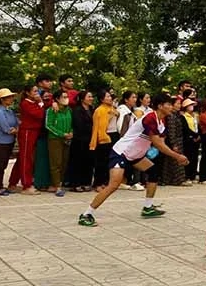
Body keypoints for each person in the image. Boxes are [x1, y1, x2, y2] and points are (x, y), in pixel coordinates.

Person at [78, 93, 189, 227]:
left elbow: (160, 142)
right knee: (113, 185)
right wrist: (177, 156)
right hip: (121, 153)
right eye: (169, 104)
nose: (172, 107)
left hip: (135, 155)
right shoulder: (150, 118)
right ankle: (86, 214)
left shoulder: (161, 121)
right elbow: (157, 143)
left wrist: (172, 153)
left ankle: (148, 207)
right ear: (160, 106)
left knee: (153, 171)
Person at [8, 85, 46, 195]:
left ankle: (13, 183)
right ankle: (26, 185)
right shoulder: (26, 103)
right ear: (28, 93)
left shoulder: (33, 103)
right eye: (34, 91)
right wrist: (40, 103)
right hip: (27, 132)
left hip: (34, 132)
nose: (37, 93)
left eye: (37, 91)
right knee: (26, 158)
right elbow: (39, 114)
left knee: (22, 158)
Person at [0, 88, 19, 195]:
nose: (11, 99)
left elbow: (16, 123)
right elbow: (5, 128)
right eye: (8, 97)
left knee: (3, 164)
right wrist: (14, 130)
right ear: (2, 100)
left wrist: (15, 129)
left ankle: (0, 185)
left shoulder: (10, 111)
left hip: (9, 142)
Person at [45, 90, 73, 196]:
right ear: (57, 99)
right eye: (63, 97)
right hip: (55, 139)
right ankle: (56, 186)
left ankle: (60, 182)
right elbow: (48, 125)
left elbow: (71, 123)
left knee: (64, 162)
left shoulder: (69, 110)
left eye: (67, 96)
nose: (66, 98)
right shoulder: (51, 110)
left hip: (67, 139)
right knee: (55, 163)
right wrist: (61, 134)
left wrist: (71, 132)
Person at [67, 91, 95, 193]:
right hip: (79, 139)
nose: (91, 98)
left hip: (90, 139)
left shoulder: (92, 109)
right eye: (89, 97)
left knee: (89, 162)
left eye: (91, 96)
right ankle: (76, 183)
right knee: (77, 162)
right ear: (82, 99)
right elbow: (78, 125)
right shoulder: (77, 110)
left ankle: (86, 182)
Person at [89, 90, 116, 191]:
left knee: (108, 162)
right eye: (107, 97)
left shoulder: (112, 108)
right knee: (101, 162)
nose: (110, 98)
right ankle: (98, 183)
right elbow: (98, 127)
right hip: (104, 137)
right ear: (102, 99)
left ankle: (105, 181)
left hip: (113, 135)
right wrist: (101, 138)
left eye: (110, 96)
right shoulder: (99, 110)